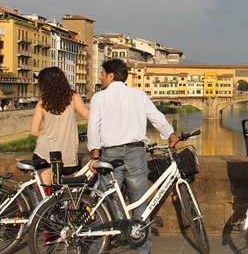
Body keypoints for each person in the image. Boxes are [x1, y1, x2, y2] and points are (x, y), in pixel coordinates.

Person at [87, 59, 178, 254]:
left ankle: (99, 246)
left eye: (102, 73)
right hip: (136, 152)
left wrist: (95, 154)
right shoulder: (138, 95)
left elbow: (93, 128)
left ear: (111, 75)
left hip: (110, 154)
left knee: (106, 201)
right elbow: (156, 116)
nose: (100, 77)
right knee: (139, 201)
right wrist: (169, 134)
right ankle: (143, 248)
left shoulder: (99, 98)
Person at [30, 67, 89, 185]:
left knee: (46, 195)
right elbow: (88, 116)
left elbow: (34, 131)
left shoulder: (42, 103)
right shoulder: (72, 97)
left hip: (44, 152)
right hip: (67, 155)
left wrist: (49, 132)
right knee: (70, 194)